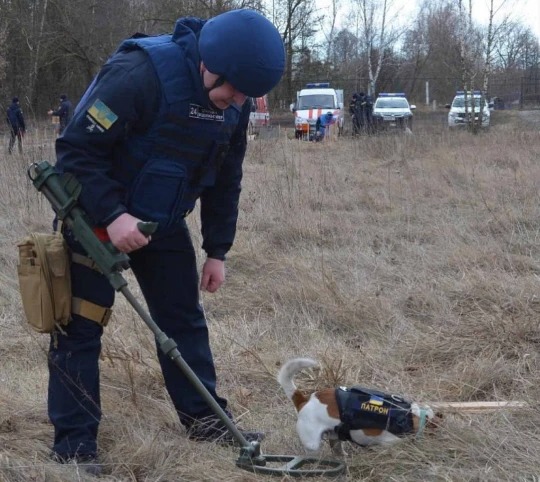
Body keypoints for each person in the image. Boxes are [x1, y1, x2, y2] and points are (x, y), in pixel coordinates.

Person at [48, 9, 285, 475]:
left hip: (163, 223)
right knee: (79, 329)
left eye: (247, 95)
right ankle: (74, 447)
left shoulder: (234, 106)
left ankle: (205, 422)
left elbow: (226, 178)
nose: (238, 101)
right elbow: (75, 151)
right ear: (210, 64)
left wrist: (217, 250)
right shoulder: (137, 74)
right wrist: (114, 214)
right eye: (234, 89)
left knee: (183, 322)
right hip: (97, 221)